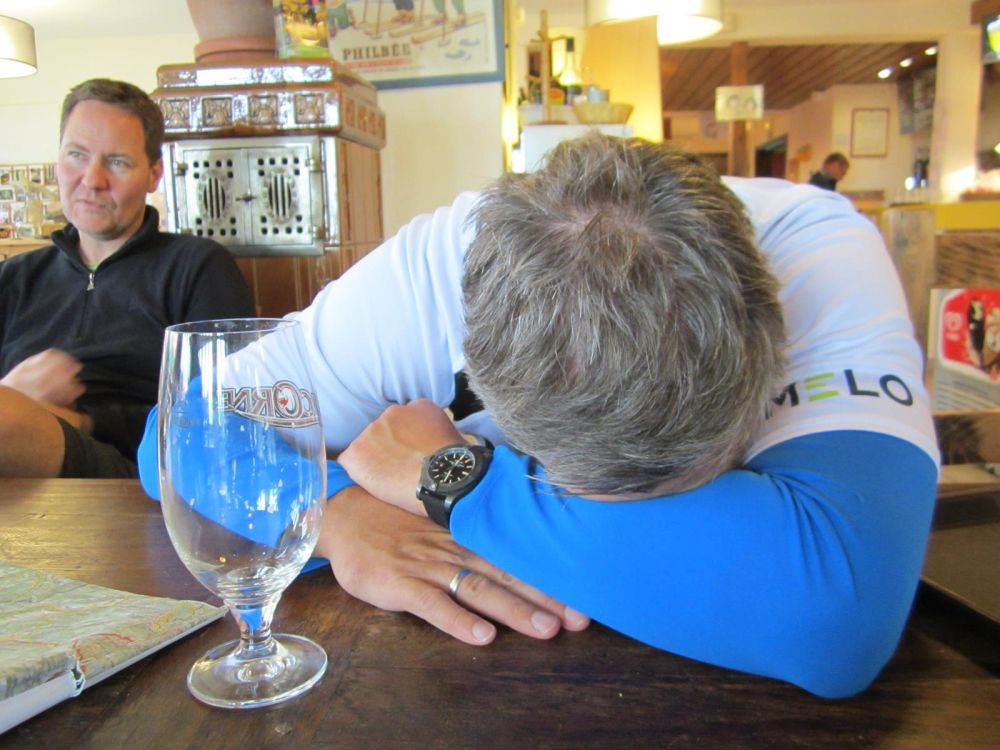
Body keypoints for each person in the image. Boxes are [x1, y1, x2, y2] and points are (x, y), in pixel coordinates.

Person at [139, 134, 939, 699]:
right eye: (570, 484)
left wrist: (447, 479)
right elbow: (180, 433)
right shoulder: (420, 288)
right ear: (477, 355)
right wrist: (334, 513)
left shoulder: (817, 251)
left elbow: (839, 617)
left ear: (773, 332)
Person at [0, 78, 254, 479]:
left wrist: (73, 419)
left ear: (153, 175)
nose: (92, 180)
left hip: (134, 472)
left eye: (117, 162)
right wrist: (14, 393)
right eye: (77, 155)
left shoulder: (197, 266)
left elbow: (225, 414)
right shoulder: (15, 278)